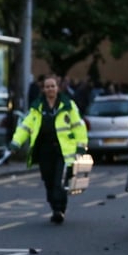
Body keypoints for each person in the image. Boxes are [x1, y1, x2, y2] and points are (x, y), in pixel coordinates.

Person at [8, 75, 88, 224]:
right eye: (47, 86)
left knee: (60, 181)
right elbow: (26, 126)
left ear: (58, 88)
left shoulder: (68, 105)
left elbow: (79, 126)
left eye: (53, 86)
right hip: (44, 150)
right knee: (48, 181)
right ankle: (54, 206)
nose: (50, 89)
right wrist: (16, 143)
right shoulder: (37, 107)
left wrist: (81, 145)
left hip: (63, 151)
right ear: (43, 89)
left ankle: (59, 209)